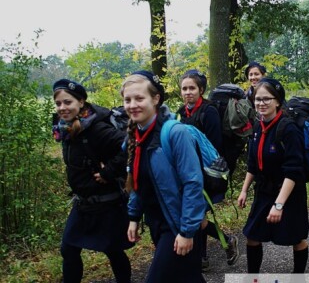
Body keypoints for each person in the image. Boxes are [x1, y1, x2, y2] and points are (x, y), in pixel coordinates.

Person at [122, 71, 207, 282]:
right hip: (157, 222)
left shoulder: (175, 133)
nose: (133, 105)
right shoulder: (136, 135)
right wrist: (133, 217)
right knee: (188, 277)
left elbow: (193, 183)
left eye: (139, 98)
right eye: (128, 99)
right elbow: (138, 181)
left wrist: (187, 231)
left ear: (156, 98)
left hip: (178, 223)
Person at [52, 79, 132, 283]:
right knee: (68, 249)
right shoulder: (66, 129)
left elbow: (131, 144)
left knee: (113, 251)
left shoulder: (96, 129)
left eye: (67, 102)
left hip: (106, 203)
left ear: (81, 102)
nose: (63, 107)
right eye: (59, 103)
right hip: (83, 203)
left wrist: (110, 172)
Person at [237, 78, 309, 273]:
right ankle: (253, 277)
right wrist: (244, 190)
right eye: (257, 99)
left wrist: (279, 205)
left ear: (277, 101)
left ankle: (298, 276)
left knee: (296, 237)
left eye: (266, 99)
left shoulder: (289, 129)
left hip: (289, 191)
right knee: (252, 234)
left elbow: (293, 170)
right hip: (264, 189)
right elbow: (253, 163)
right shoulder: (257, 127)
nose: (261, 103)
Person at [177, 69, 240, 270]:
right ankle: (227, 241)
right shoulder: (182, 112)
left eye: (192, 88)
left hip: (207, 172)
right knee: (198, 215)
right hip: (187, 172)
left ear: (201, 90)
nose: (188, 92)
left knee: (198, 214)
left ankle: (202, 257)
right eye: (184, 88)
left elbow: (215, 146)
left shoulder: (208, 111)